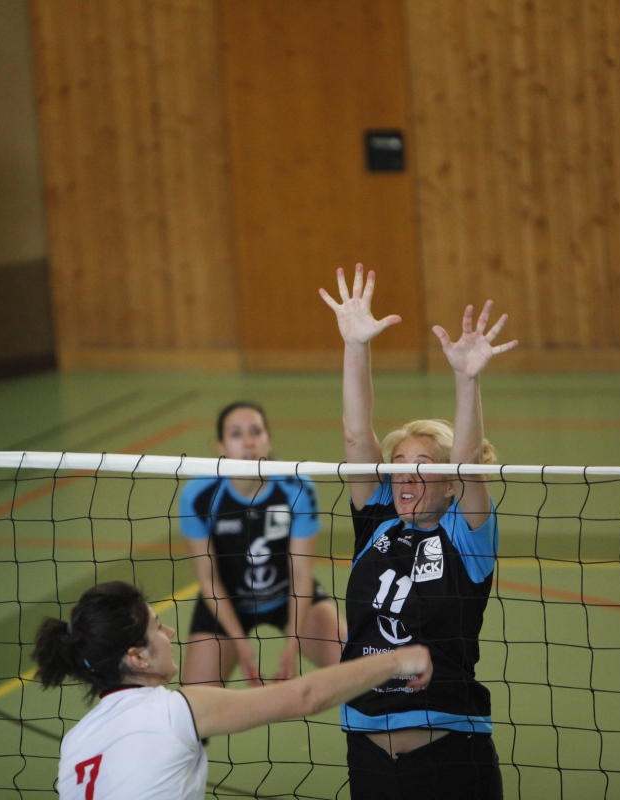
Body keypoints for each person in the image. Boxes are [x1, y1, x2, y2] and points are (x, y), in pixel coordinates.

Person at [319, 265, 515, 799]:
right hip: (367, 753)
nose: (406, 474)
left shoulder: (466, 535)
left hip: (450, 754)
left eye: (424, 464)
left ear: (449, 484)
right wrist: (355, 345)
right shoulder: (377, 520)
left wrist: (467, 379)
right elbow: (355, 434)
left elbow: (469, 461)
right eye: (399, 463)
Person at [33, 581, 431, 800]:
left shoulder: (76, 741)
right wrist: (398, 660)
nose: (169, 632)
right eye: (157, 627)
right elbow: (305, 696)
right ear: (136, 657)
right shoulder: (173, 712)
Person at [179, 401, 346, 688]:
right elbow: (208, 580)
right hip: (226, 602)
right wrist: (242, 646)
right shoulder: (198, 495)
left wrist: (293, 646)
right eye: (236, 434)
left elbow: (302, 574)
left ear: (268, 440)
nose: (248, 441)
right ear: (221, 446)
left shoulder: (297, 487)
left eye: (255, 431)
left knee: (354, 663)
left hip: (287, 594)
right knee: (194, 700)